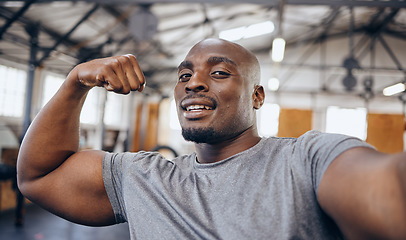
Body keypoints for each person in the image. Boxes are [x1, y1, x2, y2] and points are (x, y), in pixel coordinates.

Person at [17, 38, 406, 239]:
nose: (195, 82)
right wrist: (75, 82)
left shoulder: (306, 160)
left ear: (257, 97)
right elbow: (39, 175)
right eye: (184, 76)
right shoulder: (143, 178)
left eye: (219, 73)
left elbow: (388, 188)